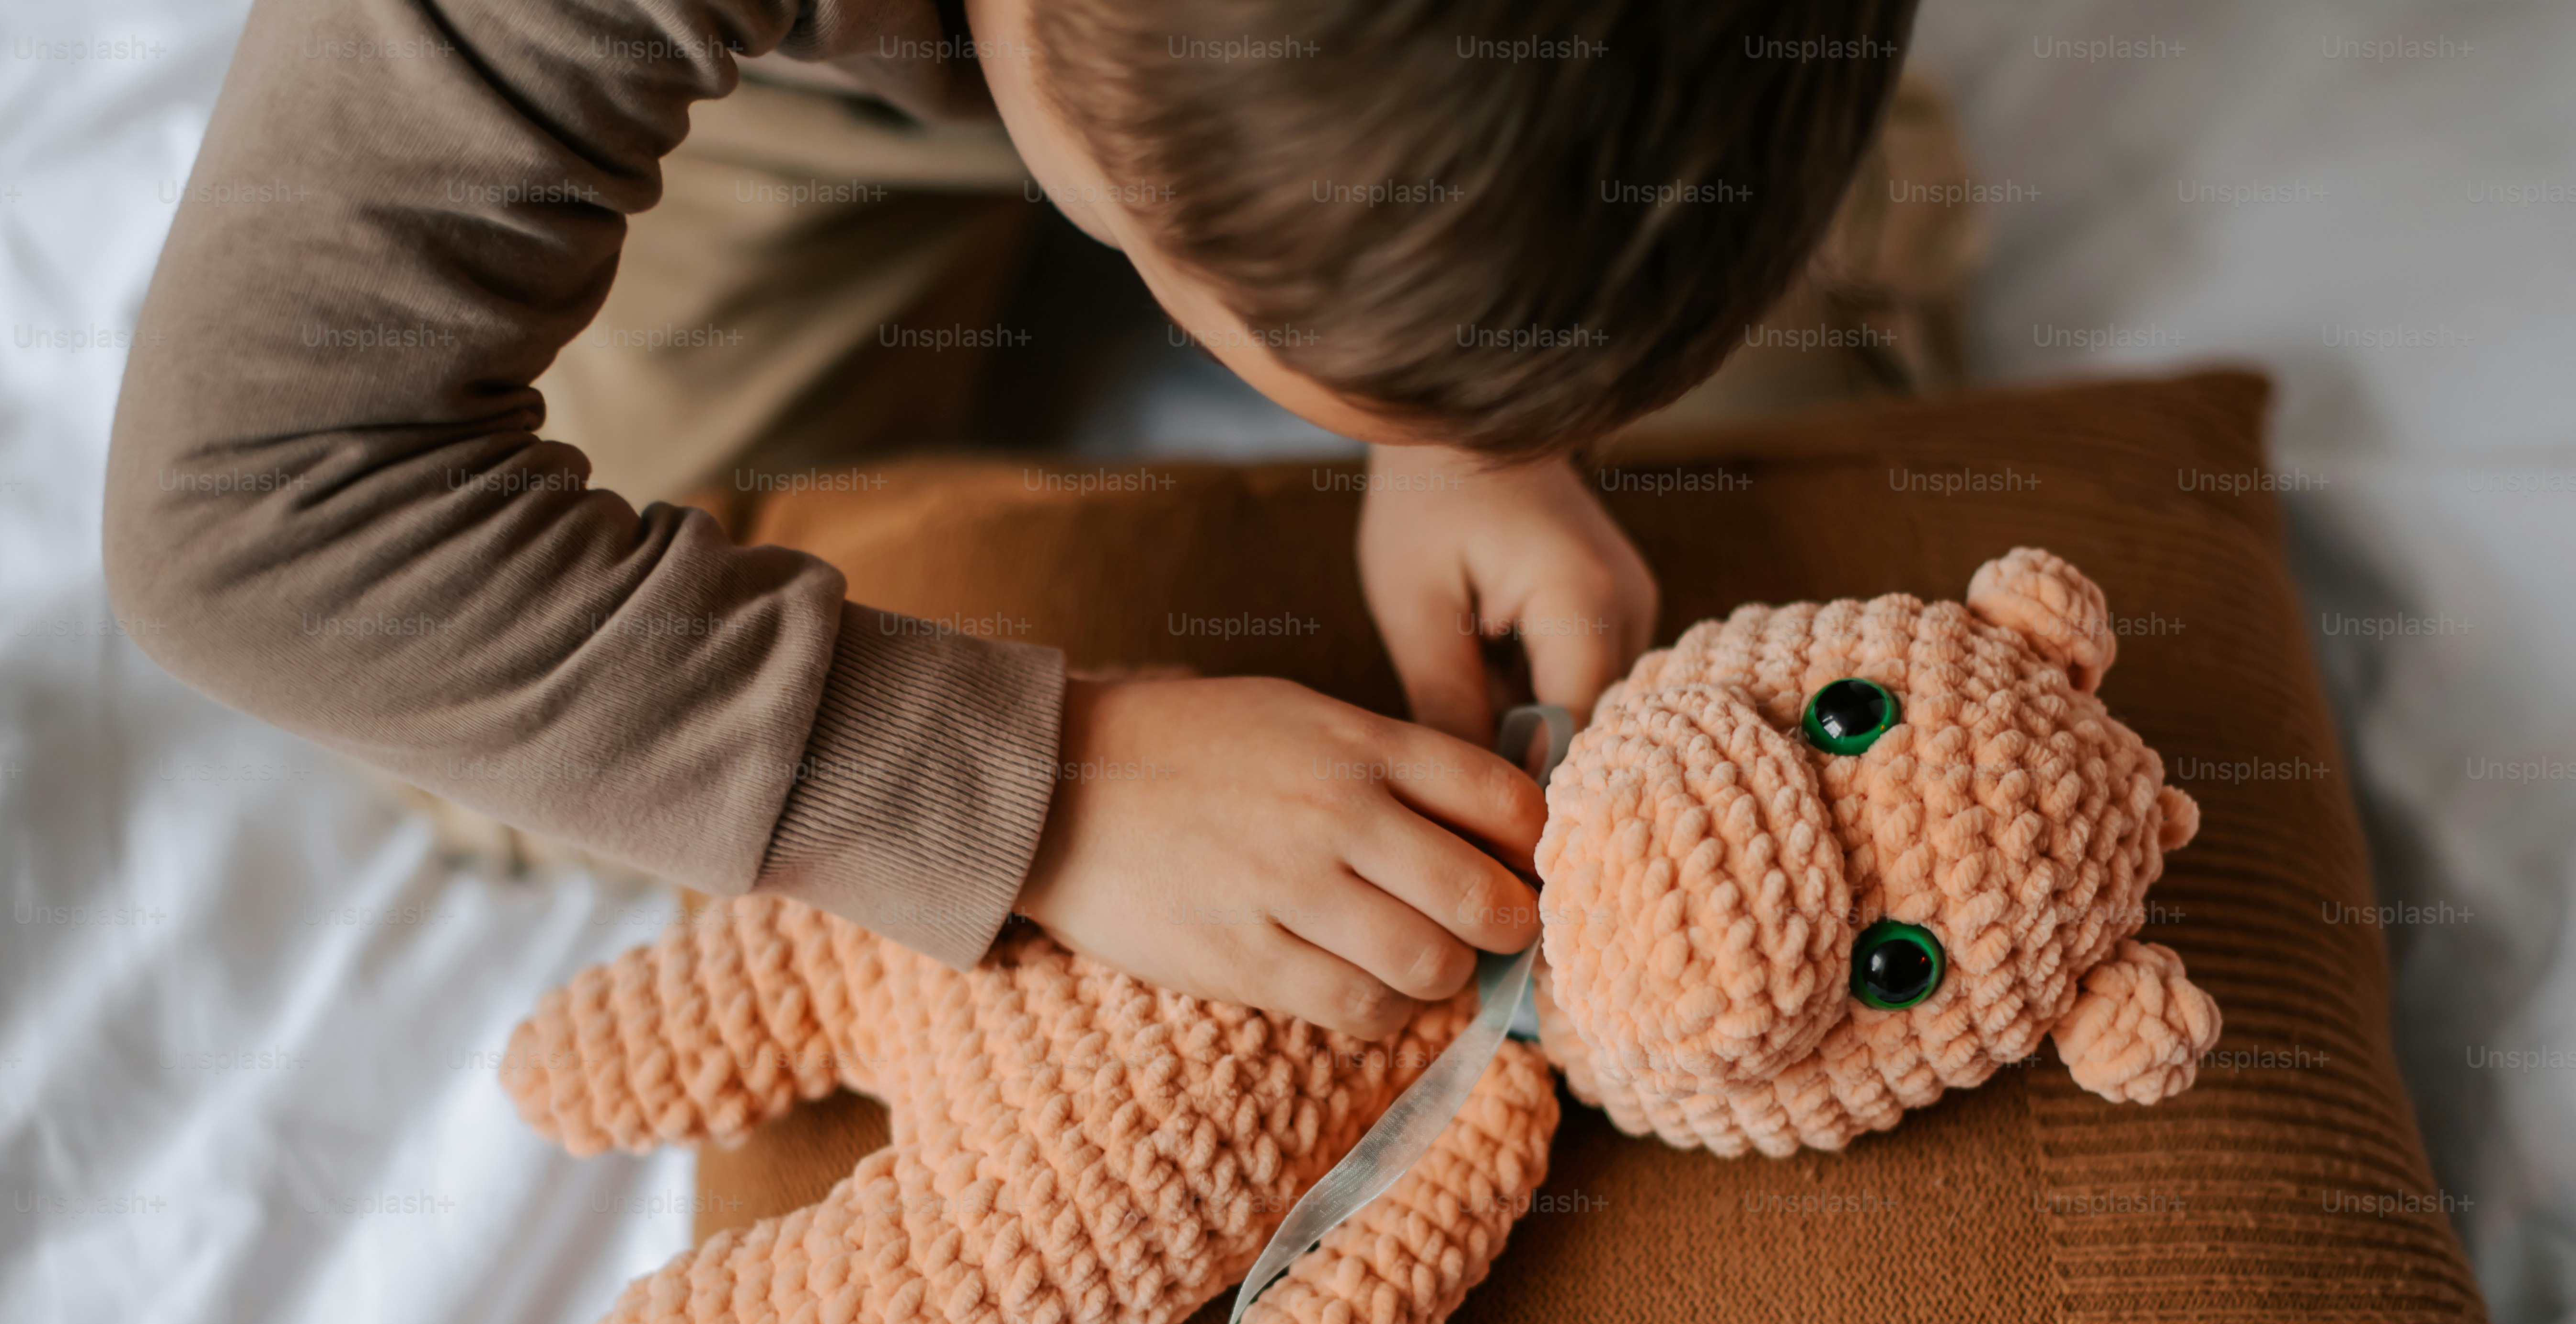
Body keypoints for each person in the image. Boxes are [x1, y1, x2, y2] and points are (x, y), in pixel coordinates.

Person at [104, 0, 1910, 1040]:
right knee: (499, 715)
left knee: (1819, 466)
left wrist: (1482, 409)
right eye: (1254, 319)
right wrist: (1041, 793)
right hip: (799, 89)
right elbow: (252, 517)